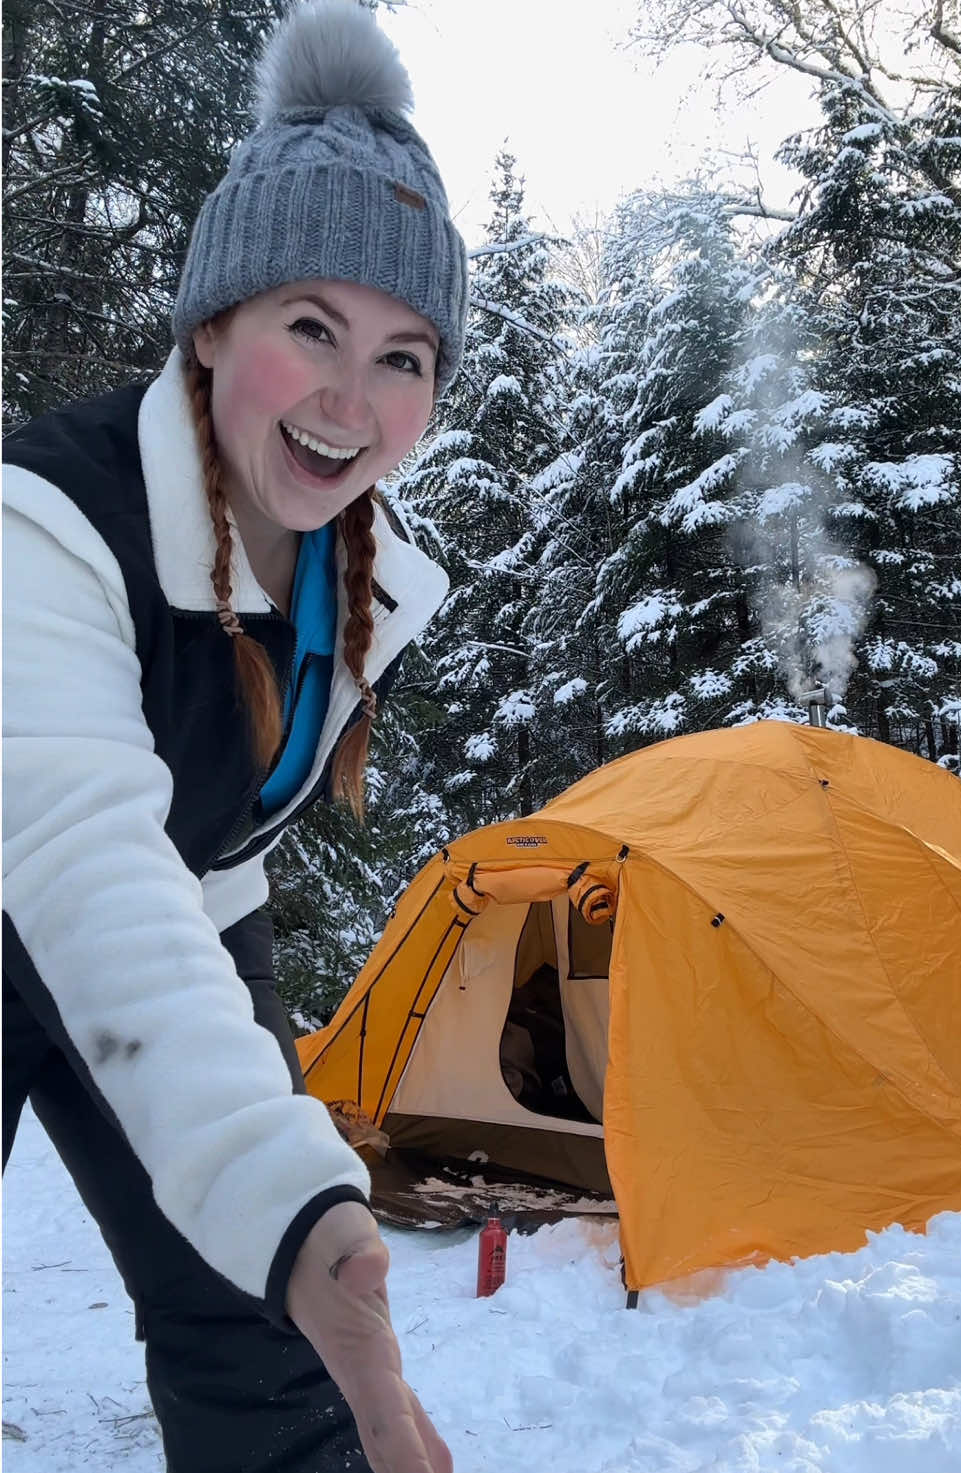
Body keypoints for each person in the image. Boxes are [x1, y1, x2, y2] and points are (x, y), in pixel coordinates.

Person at [2, 3, 468, 1470]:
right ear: (212, 326)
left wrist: (298, 1223)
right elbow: (83, 852)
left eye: (404, 358)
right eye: (310, 328)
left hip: (182, 924)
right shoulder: (44, 523)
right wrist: (285, 1176)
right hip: (57, 894)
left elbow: (200, 872)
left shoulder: (368, 578)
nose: (351, 400)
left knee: (274, 1324)